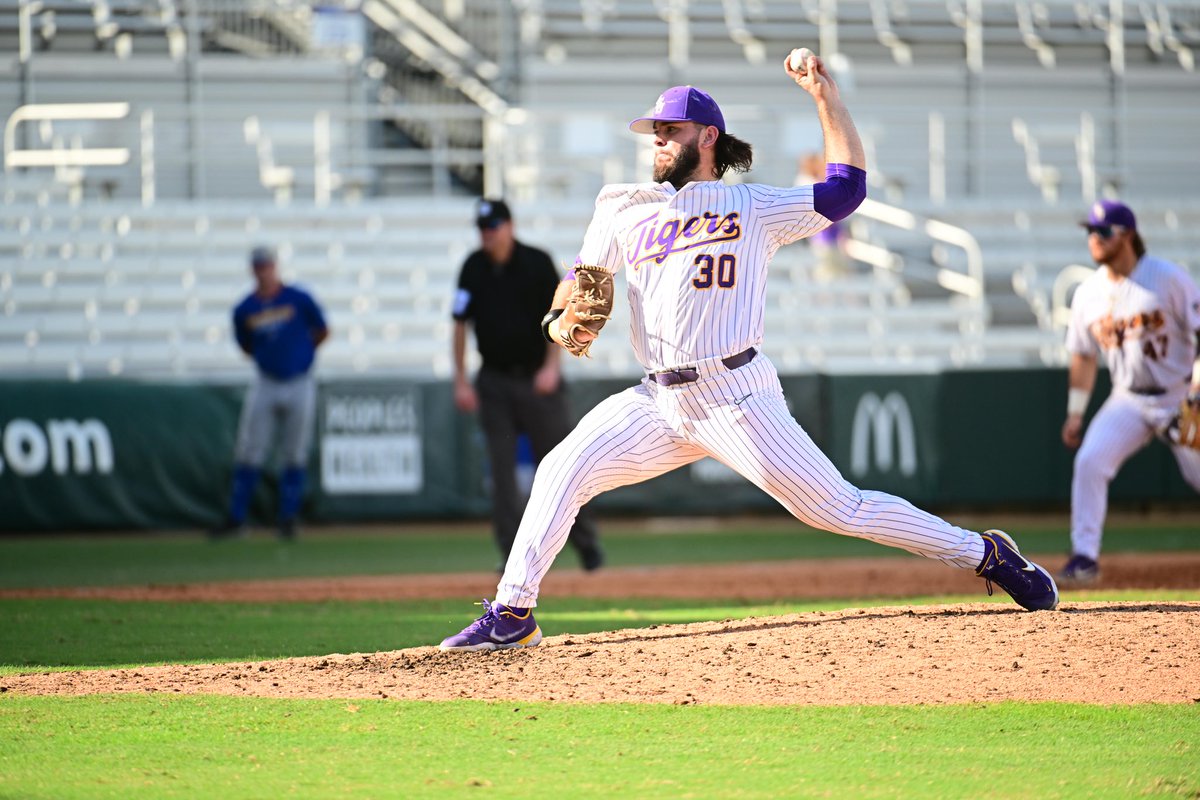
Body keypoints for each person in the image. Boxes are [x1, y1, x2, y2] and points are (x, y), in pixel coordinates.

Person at [440, 51, 1058, 652]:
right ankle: (512, 613)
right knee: (561, 469)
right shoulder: (621, 207)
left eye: (669, 130)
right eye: (652, 131)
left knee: (839, 509)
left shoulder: (752, 205)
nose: (657, 140)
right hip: (659, 401)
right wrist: (560, 318)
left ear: (707, 137)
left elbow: (845, 191)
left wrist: (826, 96)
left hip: (735, 396)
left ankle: (985, 553)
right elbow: (582, 289)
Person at [452, 198, 604, 571]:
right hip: (495, 383)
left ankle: (586, 545)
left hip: (538, 382)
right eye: (483, 229)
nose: (488, 235)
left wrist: (552, 367)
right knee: (502, 477)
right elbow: (459, 324)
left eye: (493, 227)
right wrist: (460, 379)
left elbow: (558, 317)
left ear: (509, 226)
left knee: (562, 467)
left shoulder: (536, 262)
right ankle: (511, 558)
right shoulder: (473, 267)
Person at [1058, 200, 1200, 584]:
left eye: (1103, 231)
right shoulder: (1088, 293)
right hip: (1129, 398)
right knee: (1090, 461)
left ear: (1128, 235)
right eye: (1090, 231)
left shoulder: (1167, 278)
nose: (1094, 238)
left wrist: (1197, 390)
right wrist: (1075, 413)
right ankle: (1084, 556)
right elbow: (1083, 358)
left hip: (1180, 395)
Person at [210, 246, 329, 541]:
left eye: (267, 266)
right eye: (259, 267)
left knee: (295, 451)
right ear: (253, 270)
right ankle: (237, 519)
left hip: (300, 380)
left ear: (275, 267)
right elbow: (246, 344)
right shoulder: (245, 309)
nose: (264, 271)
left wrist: (302, 354)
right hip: (266, 381)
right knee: (250, 450)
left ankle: (287, 519)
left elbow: (322, 330)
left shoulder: (298, 298)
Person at [796, 151, 852, 282]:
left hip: (833, 230)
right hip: (821, 231)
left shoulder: (819, 180)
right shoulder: (807, 182)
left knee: (839, 267)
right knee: (826, 267)